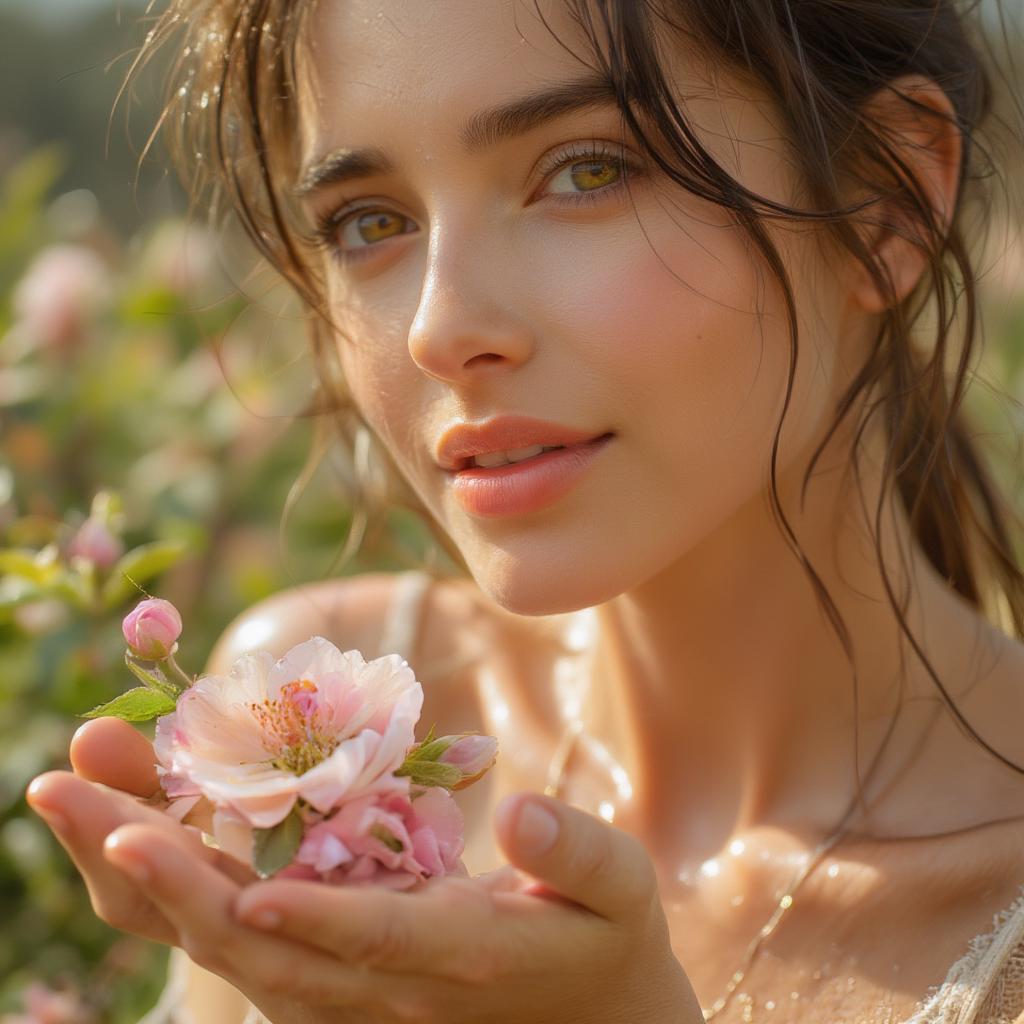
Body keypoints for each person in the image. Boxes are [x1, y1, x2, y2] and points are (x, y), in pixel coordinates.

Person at [23, 0, 1024, 1021]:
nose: (439, 327)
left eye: (586, 169)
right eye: (370, 222)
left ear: (885, 202)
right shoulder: (325, 743)